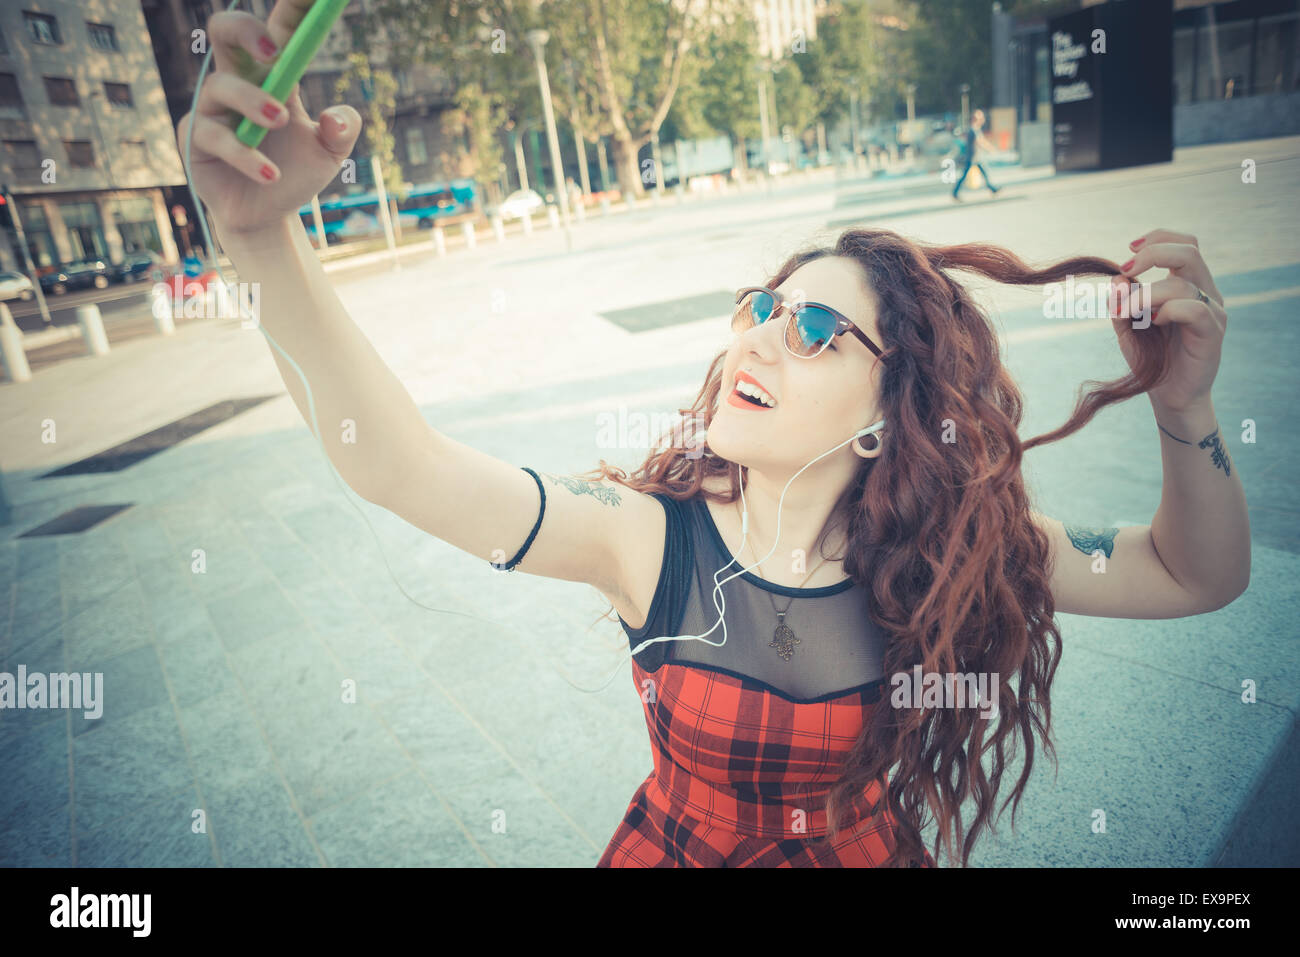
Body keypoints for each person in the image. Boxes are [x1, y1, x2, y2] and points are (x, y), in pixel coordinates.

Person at [180, 1, 1249, 867]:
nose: (762, 339)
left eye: (819, 328)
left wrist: (1183, 408)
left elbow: (1191, 575)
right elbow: (400, 464)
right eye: (759, 307)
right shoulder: (646, 537)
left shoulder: (947, 549)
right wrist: (264, 239)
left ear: (894, 411)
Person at [952, 108, 1001, 201]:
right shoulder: (973, 130)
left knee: (983, 173)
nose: (983, 119)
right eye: (981, 117)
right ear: (975, 119)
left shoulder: (974, 129)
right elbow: (980, 142)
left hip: (974, 157)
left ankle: (992, 188)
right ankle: (955, 193)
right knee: (964, 176)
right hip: (971, 158)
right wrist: (991, 149)